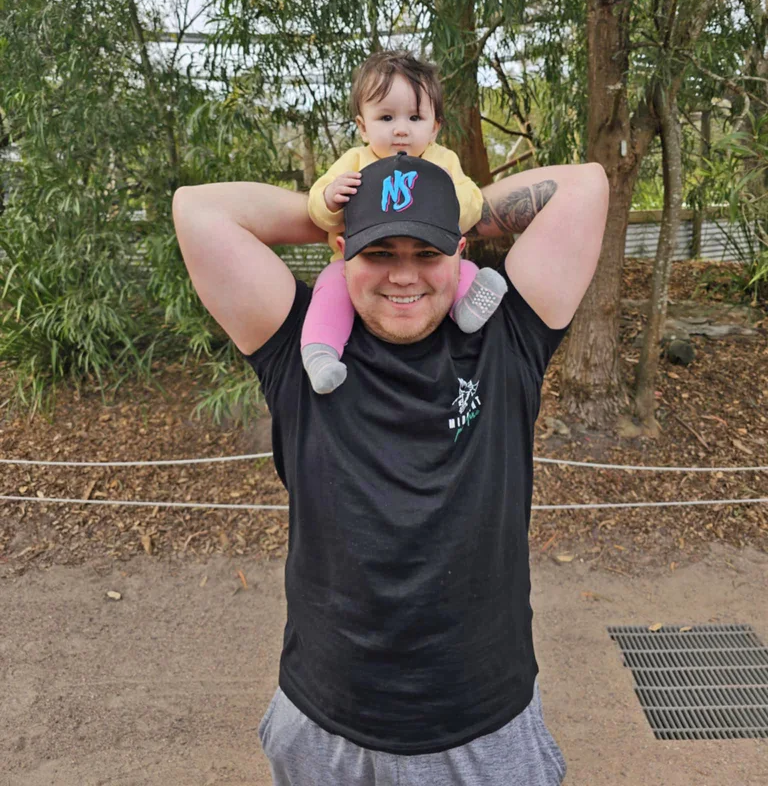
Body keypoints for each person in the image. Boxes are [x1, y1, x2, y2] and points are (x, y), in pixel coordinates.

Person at [172, 138, 609, 785]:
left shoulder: (505, 336)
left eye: (425, 251)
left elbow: (588, 187)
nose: (403, 275)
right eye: (378, 251)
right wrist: (340, 204)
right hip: (328, 731)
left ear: (459, 253)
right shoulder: (300, 349)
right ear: (341, 254)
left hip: (483, 730)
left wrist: (444, 198)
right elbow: (197, 211)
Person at [299, 50, 507, 394]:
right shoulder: (354, 161)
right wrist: (330, 197)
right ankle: (321, 352)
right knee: (331, 288)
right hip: (354, 260)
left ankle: (466, 308)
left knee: (454, 268)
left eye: (414, 117)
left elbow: (472, 207)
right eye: (385, 118)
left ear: (435, 126)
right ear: (363, 127)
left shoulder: (443, 162)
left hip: (434, 245)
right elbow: (318, 210)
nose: (400, 130)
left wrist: (448, 193)